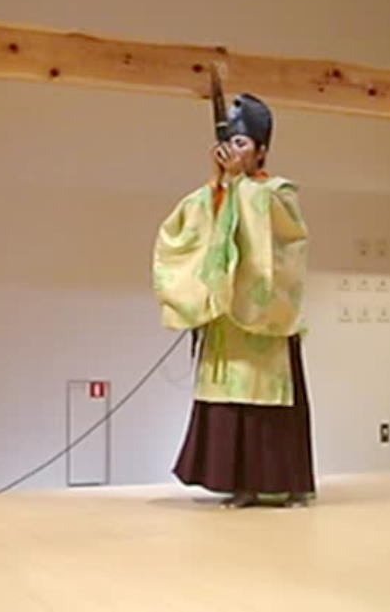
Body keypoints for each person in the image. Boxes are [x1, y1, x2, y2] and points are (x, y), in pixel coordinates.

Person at [152, 95, 315, 508]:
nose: (234, 151)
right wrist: (219, 184)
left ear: (262, 150)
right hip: (227, 316)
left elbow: (278, 243)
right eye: (230, 143)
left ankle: (287, 483)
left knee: (269, 401)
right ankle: (242, 483)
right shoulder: (217, 194)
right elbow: (186, 230)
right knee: (231, 398)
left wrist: (237, 185)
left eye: (243, 144)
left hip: (265, 320)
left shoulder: (278, 193)